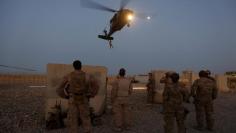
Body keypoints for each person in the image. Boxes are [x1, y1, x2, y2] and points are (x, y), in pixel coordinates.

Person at [60, 60, 92, 133]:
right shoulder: (87, 76)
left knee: (73, 118)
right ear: (81, 66)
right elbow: (96, 86)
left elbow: (59, 88)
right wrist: (90, 95)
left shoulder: (69, 76)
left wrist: (65, 96)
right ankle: (87, 131)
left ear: (73, 66)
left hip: (72, 99)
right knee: (85, 117)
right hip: (84, 99)